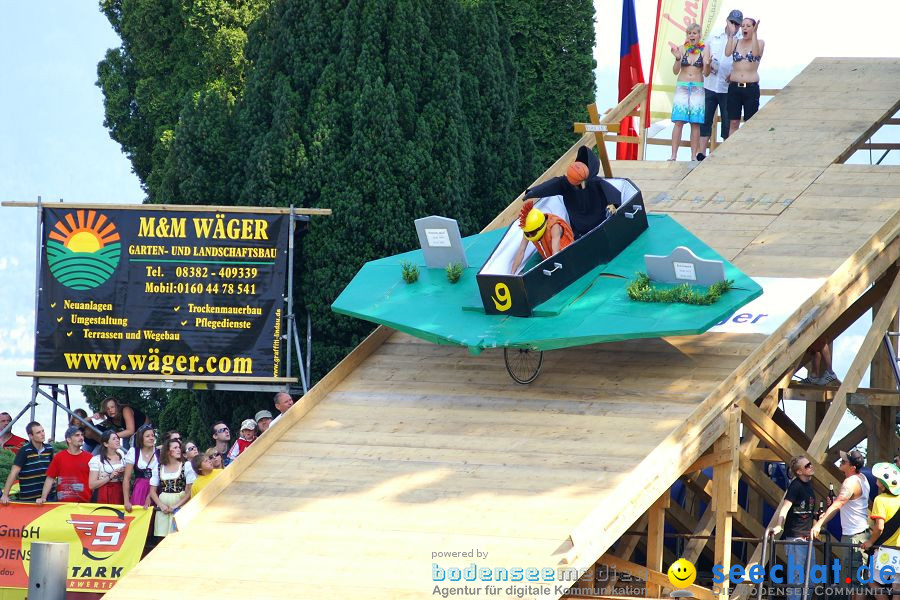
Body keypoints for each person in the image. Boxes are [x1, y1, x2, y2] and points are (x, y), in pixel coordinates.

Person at [522, 146, 621, 239]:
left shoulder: (597, 183)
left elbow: (613, 193)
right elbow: (550, 185)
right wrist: (533, 192)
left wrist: (613, 205)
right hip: (580, 233)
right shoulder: (565, 183)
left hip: (602, 226)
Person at [811, 450, 870, 586]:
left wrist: (818, 524)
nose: (840, 462)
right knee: (856, 580)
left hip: (853, 536)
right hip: (859, 534)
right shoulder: (863, 478)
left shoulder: (850, 482)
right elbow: (844, 502)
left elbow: (839, 503)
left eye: (844, 461)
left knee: (854, 583)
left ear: (852, 467)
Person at [698, 10, 743, 160]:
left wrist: (734, 74)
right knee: (706, 119)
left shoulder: (741, 38)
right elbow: (705, 52)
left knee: (727, 119)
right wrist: (707, 63)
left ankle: (724, 154)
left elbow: (741, 60)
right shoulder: (715, 34)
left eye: (738, 24)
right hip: (710, 83)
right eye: (733, 22)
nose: (735, 26)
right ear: (727, 21)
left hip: (727, 85)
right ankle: (701, 153)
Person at [773, 456, 817, 600]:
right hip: (796, 538)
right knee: (797, 579)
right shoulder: (795, 486)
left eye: (810, 464)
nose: (810, 466)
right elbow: (785, 508)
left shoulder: (809, 486)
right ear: (799, 471)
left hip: (807, 538)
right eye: (807, 466)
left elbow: (811, 512)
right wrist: (779, 525)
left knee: (810, 580)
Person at [668, 23, 711, 161]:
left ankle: (693, 156)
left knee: (695, 123)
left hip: (697, 87)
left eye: (694, 33)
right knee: (679, 121)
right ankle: (673, 155)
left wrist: (708, 63)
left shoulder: (705, 50)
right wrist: (677, 58)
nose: (691, 35)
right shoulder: (681, 49)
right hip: (682, 86)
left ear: (699, 35)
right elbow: (675, 71)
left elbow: (706, 73)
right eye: (689, 33)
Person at [861, 463, 900, 600]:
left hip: (885, 549)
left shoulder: (880, 500)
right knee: (897, 587)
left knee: (870, 579)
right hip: (899, 549)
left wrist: (870, 542)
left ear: (883, 484)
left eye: (878, 479)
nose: (876, 482)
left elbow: (879, 527)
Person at [509, 200, 574, 274]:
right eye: (527, 234)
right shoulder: (529, 229)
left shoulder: (554, 227)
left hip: (563, 253)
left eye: (532, 233)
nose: (529, 236)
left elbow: (555, 253)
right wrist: (512, 273)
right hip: (545, 252)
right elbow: (521, 250)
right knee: (528, 268)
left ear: (540, 227)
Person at [148, 439, 195, 537]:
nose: (179, 450)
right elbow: (152, 491)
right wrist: (161, 505)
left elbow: (189, 491)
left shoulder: (186, 466)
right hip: (163, 508)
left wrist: (175, 506)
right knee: (161, 537)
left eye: (179, 447)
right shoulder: (158, 467)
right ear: (168, 451)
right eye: (175, 448)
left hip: (180, 506)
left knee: (178, 535)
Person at [725, 18, 765, 134]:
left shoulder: (760, 42)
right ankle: (731, 149)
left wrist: (755, 34)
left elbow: (756, 53)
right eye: (743, 26)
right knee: (733, 121)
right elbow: (727, 53)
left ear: (753, 28)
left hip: (751, 87)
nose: (745, 28)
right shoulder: (736, 41)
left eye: (748, 26)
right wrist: (731, 34)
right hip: (735, 86)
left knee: (750, 122)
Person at [1, 421, 54, 504]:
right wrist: (5, 495)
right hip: (29, 500)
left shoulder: (49, 449)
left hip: (48, 498)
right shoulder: (24, 451)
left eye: (43, 431)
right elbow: (13, 473)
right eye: (38, 432)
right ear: (31, 436)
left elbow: (52, 472)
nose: (42, 434)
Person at [38, 426, 92, 504]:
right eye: (77, 435)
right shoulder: (59, 457)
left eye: (82, 435)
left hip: (85, 504)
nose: (81, 437)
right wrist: (43, 498)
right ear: (69, 439)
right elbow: (50, 478)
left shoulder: (90, 457)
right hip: (63, 506)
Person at [123, 424, 158, 512]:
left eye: (152, 435)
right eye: (147, 436)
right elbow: (127, 478)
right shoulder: (134, 452)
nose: (151, 438)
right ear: (141, 438)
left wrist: (151, 495)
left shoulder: (159, 453)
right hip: (140, 489)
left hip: (156, 488)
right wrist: (126, 501)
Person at [88, 431, 127, 505]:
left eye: (118, 438)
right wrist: (110, 477)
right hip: (103, 493)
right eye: (114, 439)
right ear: (106, 444)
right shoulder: (96, 460)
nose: (117, 440)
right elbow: (91, 485)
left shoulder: (122, 455)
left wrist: (122, 473)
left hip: (119, 491)